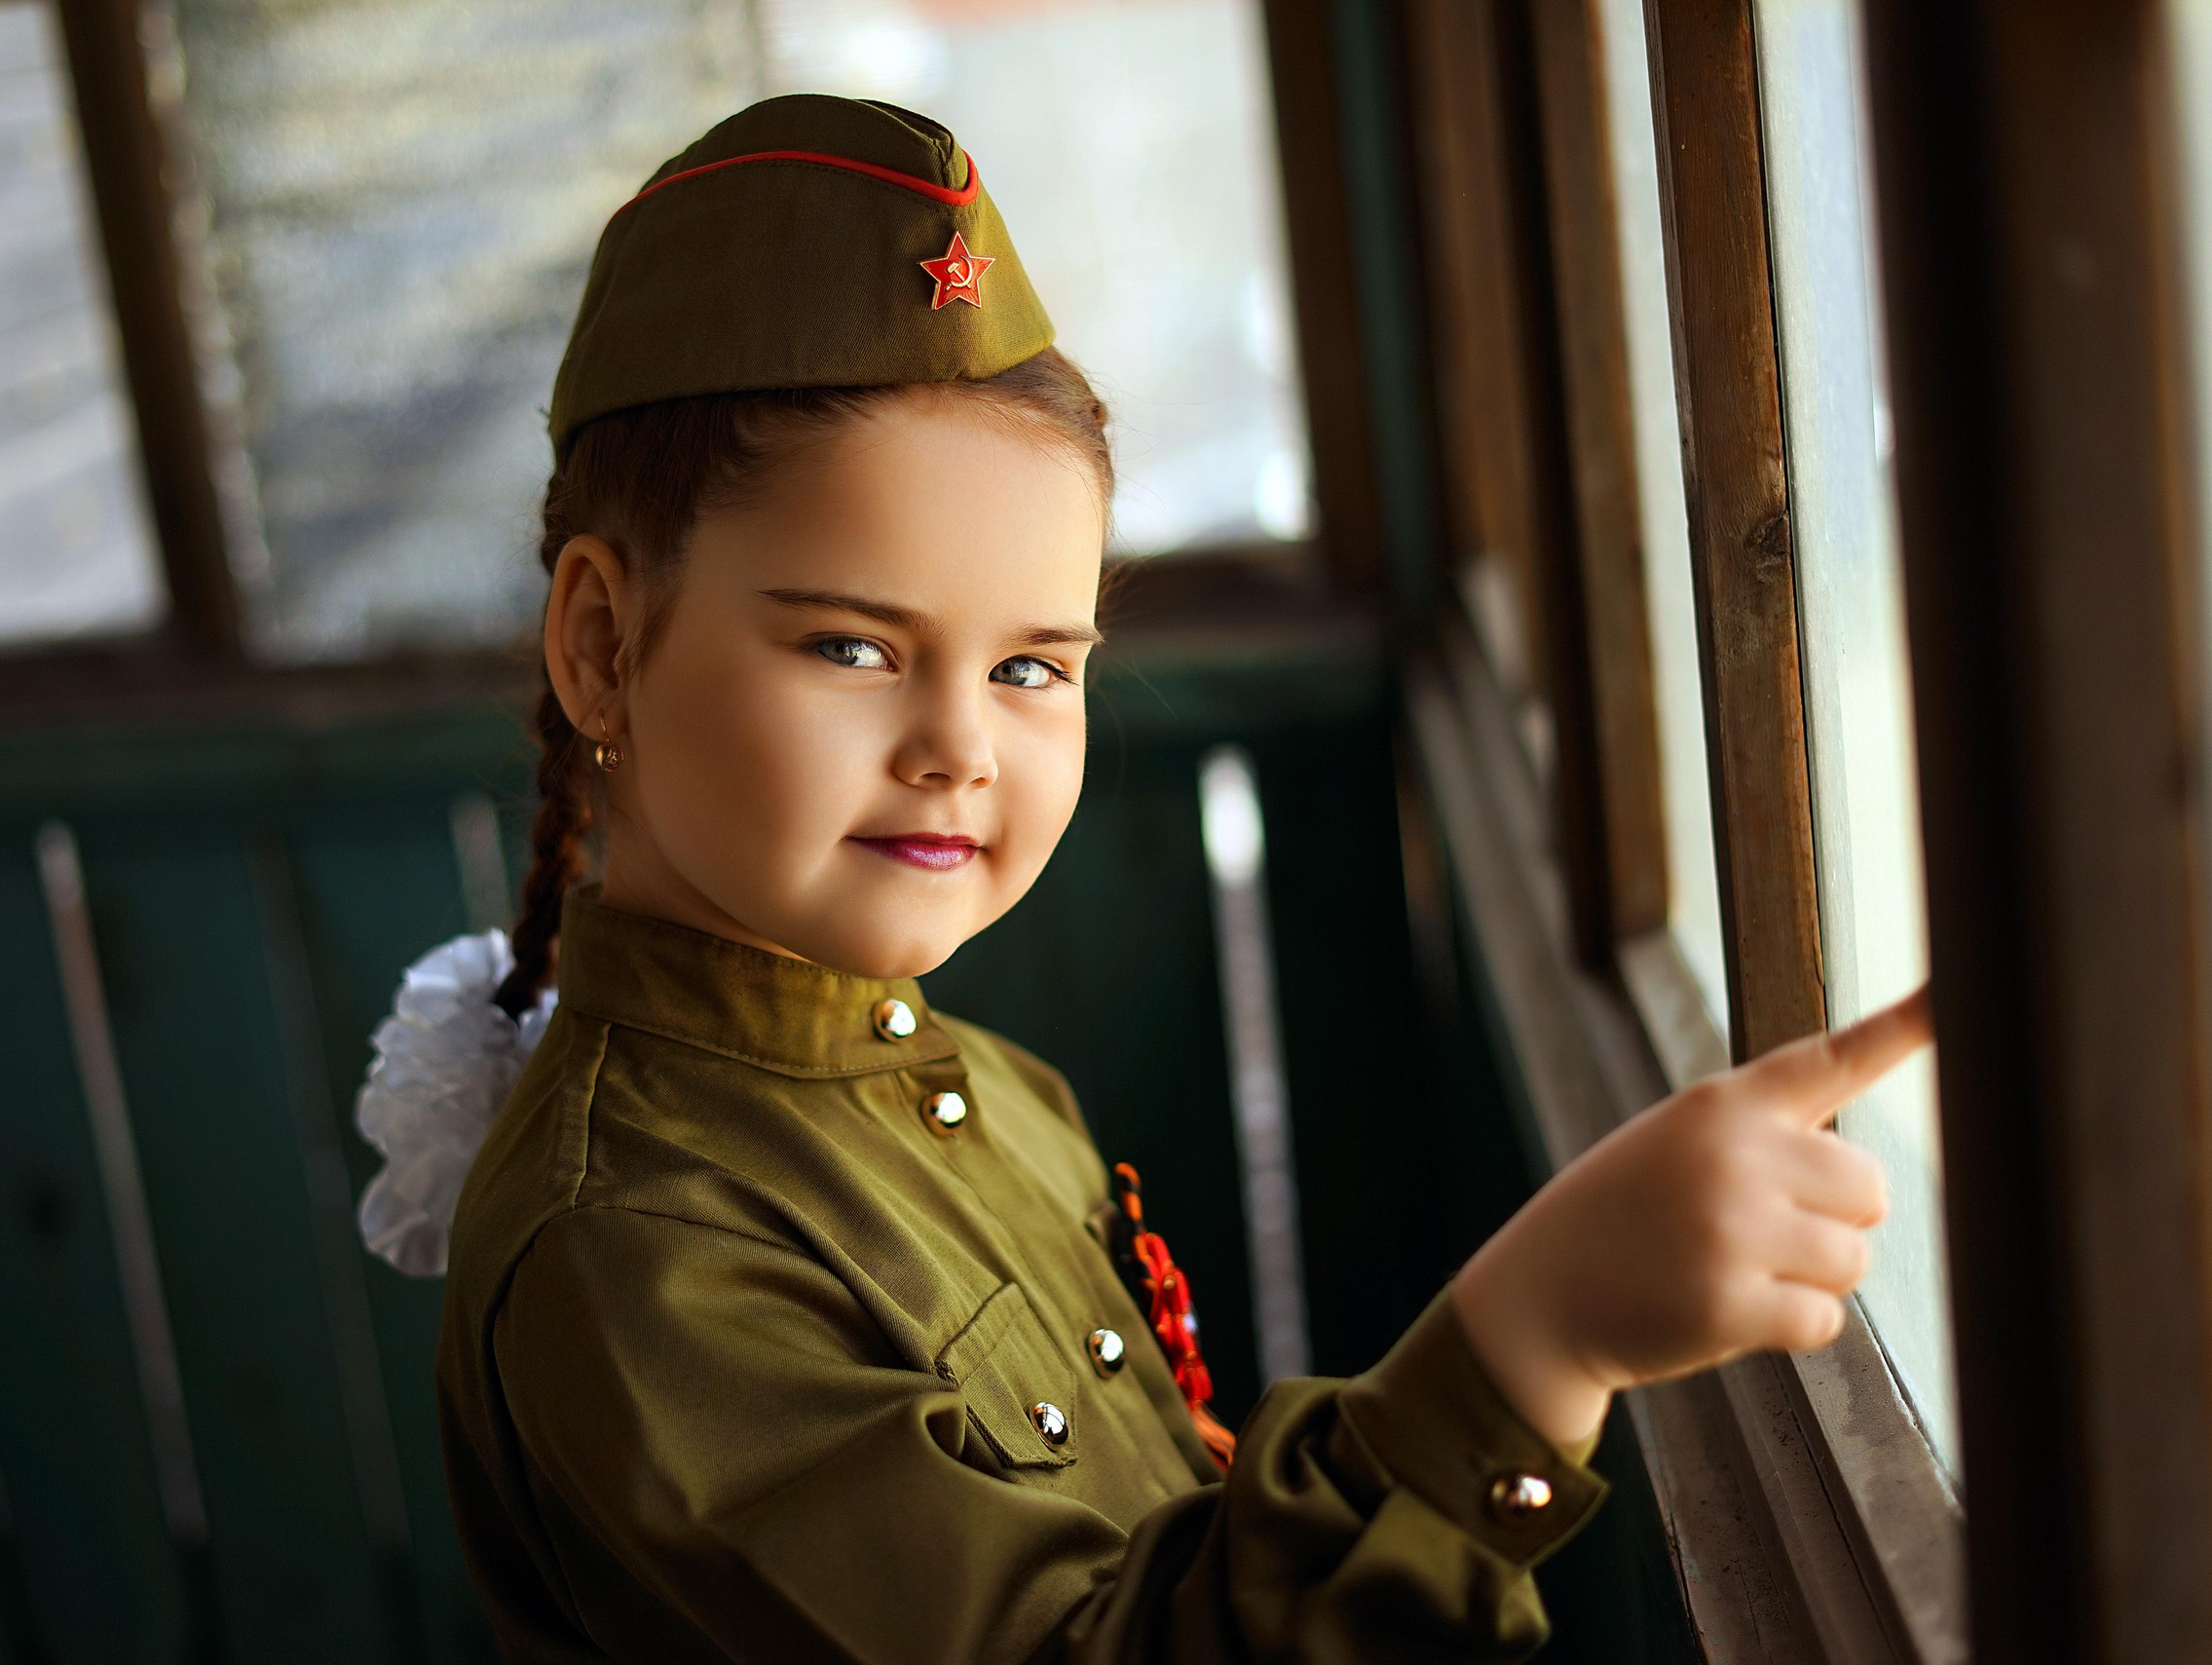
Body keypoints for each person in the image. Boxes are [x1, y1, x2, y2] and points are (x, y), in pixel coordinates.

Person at [350, 93, 1927, 1663]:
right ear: (604, 644)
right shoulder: (634, 1257)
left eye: (1035, 666)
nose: (960, 746)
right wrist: (1537, 1336)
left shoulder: (987, 1091)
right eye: (853, 645)